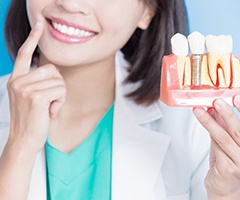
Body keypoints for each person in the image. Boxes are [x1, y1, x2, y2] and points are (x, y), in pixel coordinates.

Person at [0, 0, 240, 200]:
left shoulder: (193, 126)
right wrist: (18, 151)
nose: (71, 4)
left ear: (148, 11)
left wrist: (225, 193)